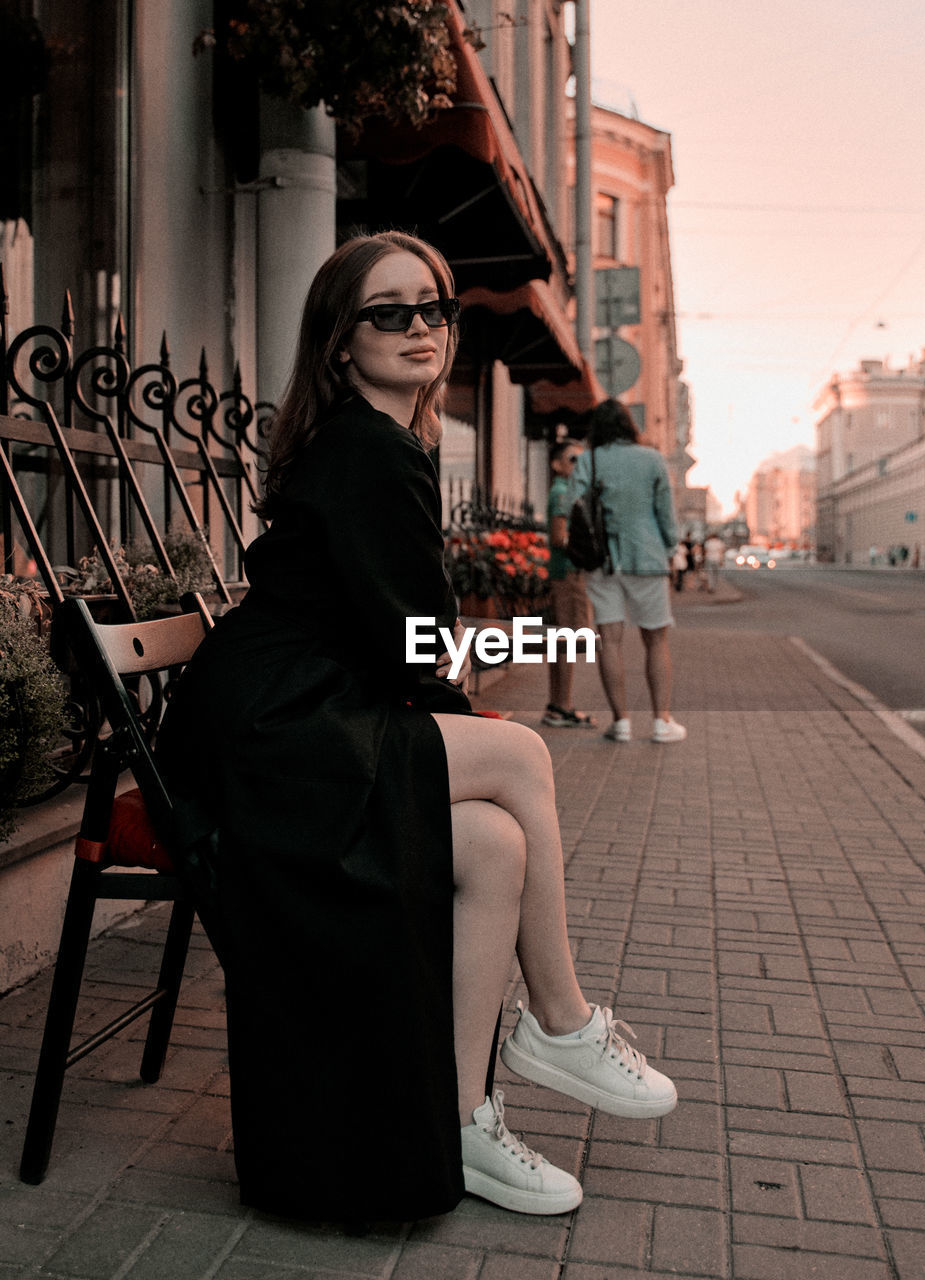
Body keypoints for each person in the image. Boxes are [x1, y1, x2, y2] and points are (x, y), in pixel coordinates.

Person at [157, 232, 676, 1225]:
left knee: (493, 840)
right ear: (339, 341)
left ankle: (466, 1116)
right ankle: (561, 1019)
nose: (421, 327)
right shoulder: (370, 446)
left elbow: (396, 631)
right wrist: (531, 637)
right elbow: (411, 647)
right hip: (274, 734)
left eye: (434, 306)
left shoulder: (383, 442)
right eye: (388, 312)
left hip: (293, 712)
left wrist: (494, 652)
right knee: (519, 751)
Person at [569, 399, 686, 744]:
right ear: (628, 426)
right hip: (648, 559)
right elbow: (665, 511)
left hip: (603, 562)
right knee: (656, 640)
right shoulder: (651, 459)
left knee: (610, 642)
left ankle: (621, 723)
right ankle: (662, 723)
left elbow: (573, 507)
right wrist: (670, 548)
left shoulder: (588, 461)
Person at [542, 438, 594, 728]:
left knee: (562, 640)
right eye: (573, 459)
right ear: (557, 464)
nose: (579, 465)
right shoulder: (563, 492)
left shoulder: (568, 491)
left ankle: (559, 704)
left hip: (568, 573)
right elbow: (559, 537)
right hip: (569, 574)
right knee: (568, 640)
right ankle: (560, 706)